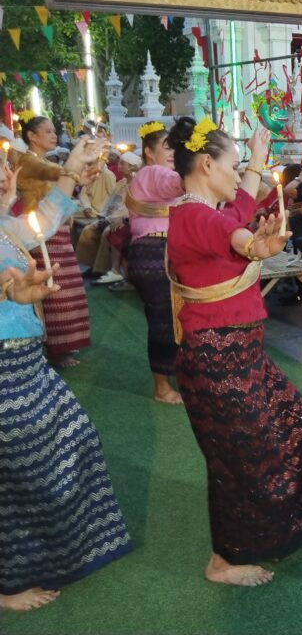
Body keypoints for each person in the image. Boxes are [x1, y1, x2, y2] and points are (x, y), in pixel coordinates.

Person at [166, 119, 302, 587]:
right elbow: (234, 232)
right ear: (206, 165)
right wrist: (256, 245)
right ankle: (222, 561)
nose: (240, 174)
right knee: (241, 458)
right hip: (217, 359)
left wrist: (256, 161)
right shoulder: (195, 216)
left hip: (241, 354)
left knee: (298, 429)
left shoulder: (203, 211)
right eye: (234, 166)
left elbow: (237, 215)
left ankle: (274, 533)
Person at [0, 146, 133, 612]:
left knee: (75, 439)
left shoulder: (5, 227)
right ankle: (7, 584)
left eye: (3, 166)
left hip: (29, 365)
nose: (4, 175)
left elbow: (45, 222)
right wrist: (9, 292)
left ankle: (58, 553)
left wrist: (72, 171)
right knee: (18, 474)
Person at [15, 116, 94, 368]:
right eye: (47, 131)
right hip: (40, 235)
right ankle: (56, 349)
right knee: (54, 292)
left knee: (67, 291)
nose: (53, 135)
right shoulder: (26, 161)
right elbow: (56, 174)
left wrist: (78, 176)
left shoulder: (45, 162)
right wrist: (74, 170)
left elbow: (62, 182)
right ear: (31, 136)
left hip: (57, 230)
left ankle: (65, 345)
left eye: (53, 131)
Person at [125, 121, 185, 405]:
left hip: (161, 252)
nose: (173, 153)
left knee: (173, 319)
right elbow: (177, 183)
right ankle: (162, 387)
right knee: (164, 321)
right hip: (155, 252)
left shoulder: (150, 175)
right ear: (149, 152)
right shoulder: (152, 173)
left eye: (176, 148)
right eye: (167, 147)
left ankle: (176, 377)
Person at [75, 150, 141, 283]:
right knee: (89, 229)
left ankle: (104, 269)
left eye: (123, 164)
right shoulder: (122, 182)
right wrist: (104, 217)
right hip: (112, 216)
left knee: (107, 231)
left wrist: (113, 219)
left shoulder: (136, 183)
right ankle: (92, 266)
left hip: (127, 219)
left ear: (132, 167)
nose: (119, 166)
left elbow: (132, 207)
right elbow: (111, 202)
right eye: (120, 163)